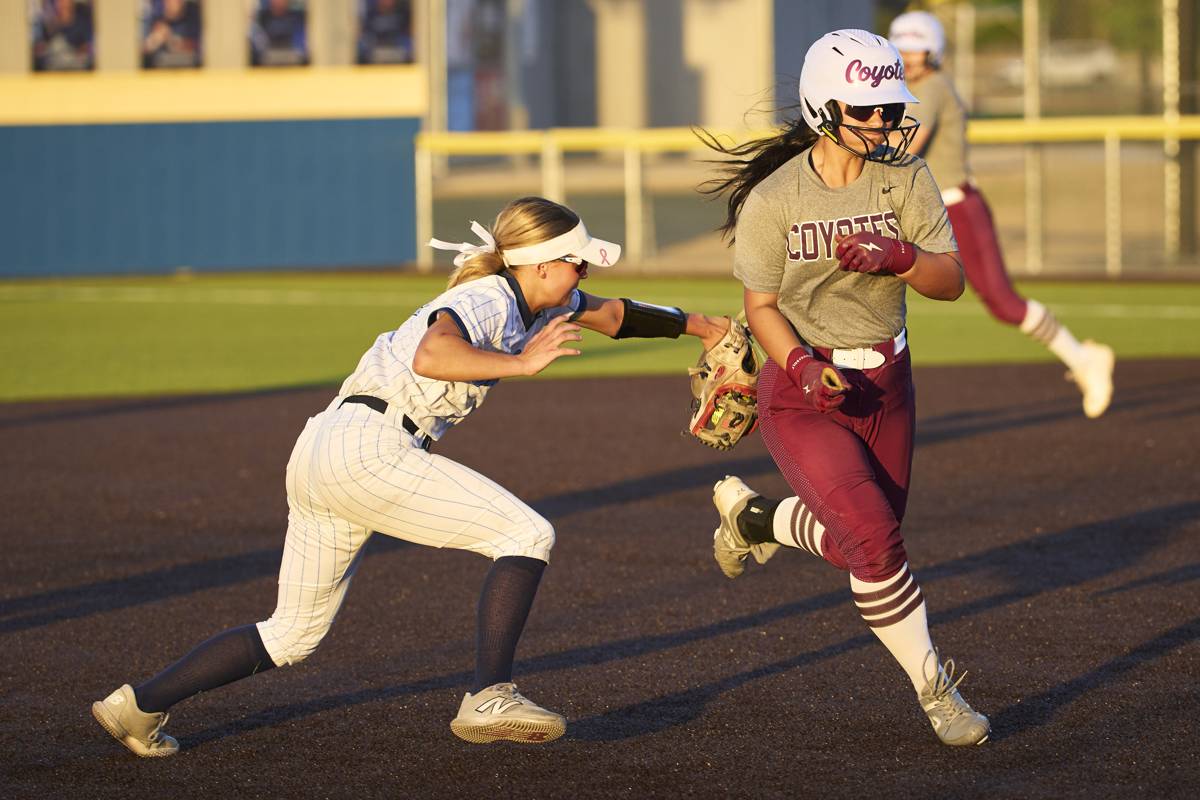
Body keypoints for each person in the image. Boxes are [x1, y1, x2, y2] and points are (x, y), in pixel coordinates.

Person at [91, 196, 733, 757]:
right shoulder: (485, 297)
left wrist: (704, 326)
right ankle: (488, 695)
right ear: (539, 265)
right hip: (370, 449)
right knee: (526, 534)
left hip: (324, 448)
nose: (585, 271)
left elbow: (615, 313)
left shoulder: (539, 298)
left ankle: (138, 705)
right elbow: (434, 352)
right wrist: (521, 365)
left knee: (292, 634)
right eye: (576, 261)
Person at [699, 29, 990, 746]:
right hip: (804, 391)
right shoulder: (775, 199)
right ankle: (937, 691)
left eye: (892, 109)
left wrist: (903, 258)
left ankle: (759, 521)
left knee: (864, 546)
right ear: (823, 108)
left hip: (888, 384)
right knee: (876, 542)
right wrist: (797, 365)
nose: (886, 123)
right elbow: (759, 308)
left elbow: (951, 282)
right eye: (870, 110)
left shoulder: (907, 177)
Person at [888, 10, 1114, 418]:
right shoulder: (910, 90)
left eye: (915, 49)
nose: (907, 57)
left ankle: (1083, 358)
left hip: (956, 208)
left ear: (932, 52)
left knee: (1004, 304)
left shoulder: (933, 86)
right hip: (928, 210)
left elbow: (904, 150)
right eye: (900, 48)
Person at [142, 0, 202, 69]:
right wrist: (155, 39)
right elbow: (142, 49)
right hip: (157, 72)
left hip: (187, 72)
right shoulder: (154, 16)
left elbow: (197, 48)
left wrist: (172, 40)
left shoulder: (192, 15)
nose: (173, 3)